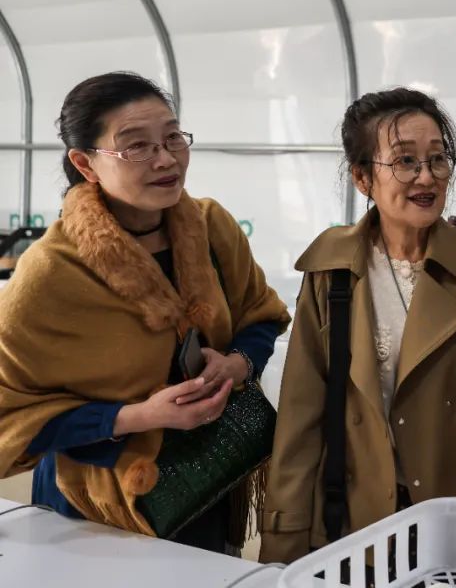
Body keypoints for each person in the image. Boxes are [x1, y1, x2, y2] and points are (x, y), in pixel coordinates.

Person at [0, 72, 290, 553]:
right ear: (84, 163)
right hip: (95, 507)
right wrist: (136, 417)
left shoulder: (211, 227)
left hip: (206, 476)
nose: (166, 159)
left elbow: (261, 315)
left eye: (173, 137)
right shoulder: (51, 272)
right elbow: (11, 415)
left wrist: (236, 364)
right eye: (137, 146)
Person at [260, 87, 456, 564]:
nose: (426, 176)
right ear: (362, 177)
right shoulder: (333, 271)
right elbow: (302, 416)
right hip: (362, 519)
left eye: (438, 159)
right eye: (405, 161)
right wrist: (283, 536)